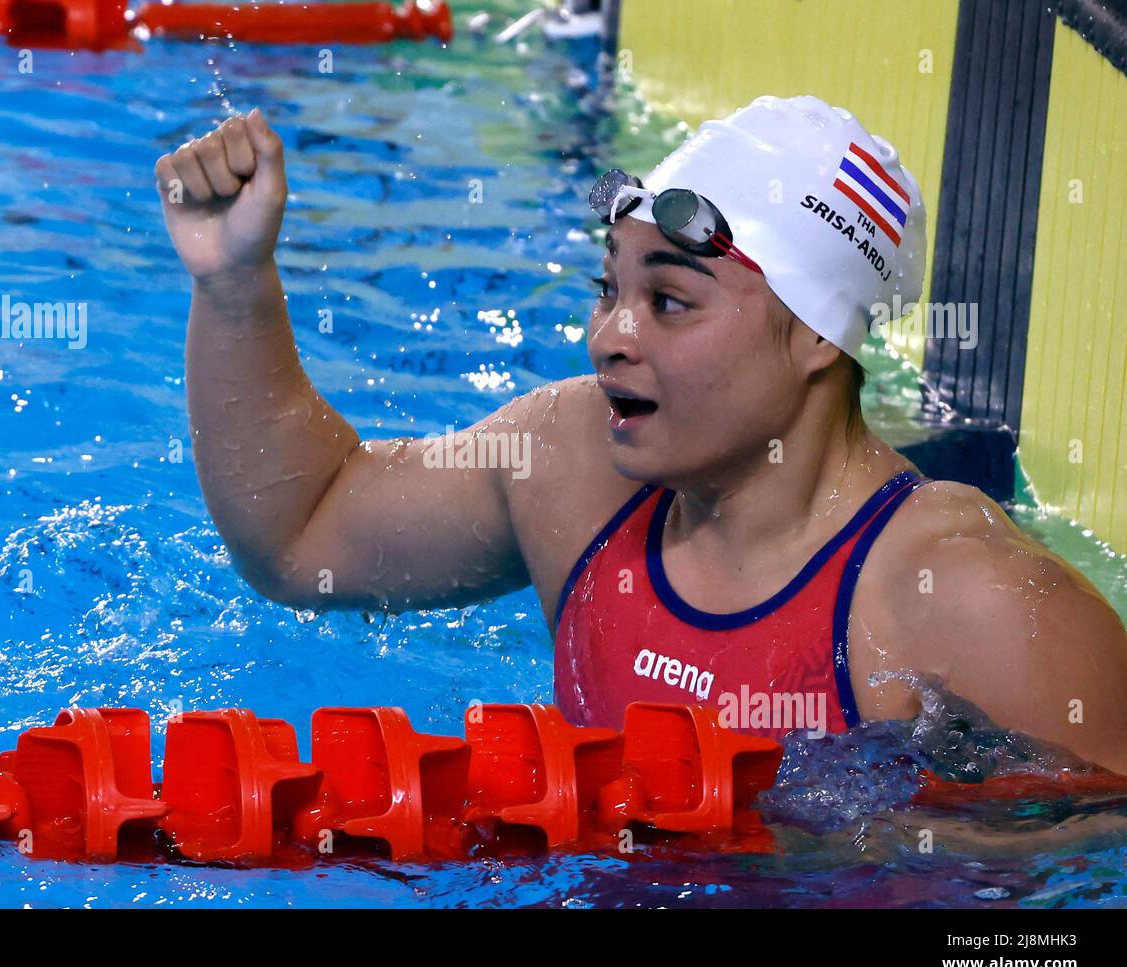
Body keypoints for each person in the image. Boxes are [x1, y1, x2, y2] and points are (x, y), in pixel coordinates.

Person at [155, 96, 1127, 771]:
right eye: (609, 289)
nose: (609, 335)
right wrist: (234, 283)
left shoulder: (973, 601)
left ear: (817, 336)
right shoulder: (567, 465)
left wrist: (810, 846)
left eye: (668, 299)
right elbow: (301, 537)